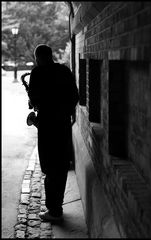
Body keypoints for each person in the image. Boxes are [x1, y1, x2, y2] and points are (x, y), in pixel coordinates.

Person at [28, 44, 79, 221]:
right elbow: (75, 96)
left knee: (49, 167)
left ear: (38, 57)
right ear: (51, 55)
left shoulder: (37, 73)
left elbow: (34, 99)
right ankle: (58, 205)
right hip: (63, 125)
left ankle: (54, 210)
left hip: (47, 126)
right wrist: (64, 112)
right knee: (62, 165)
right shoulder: (64, 71)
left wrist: (35, 103)